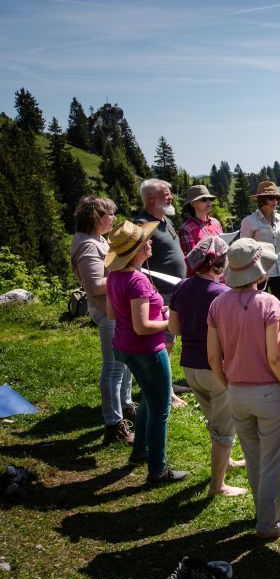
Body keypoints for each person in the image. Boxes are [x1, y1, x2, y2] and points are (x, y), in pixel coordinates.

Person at [207, 239, 280, 538]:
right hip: (269, 392)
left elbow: (212, 357)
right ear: (259, 272)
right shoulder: (269, 303)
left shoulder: (217, 303)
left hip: (236, 391)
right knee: (273, 460)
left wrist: (228, 383)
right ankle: (270, 525)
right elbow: (275, 356)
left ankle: (265, 509)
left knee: (254, 455)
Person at [103, 220, 187, 483]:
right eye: (146, 240)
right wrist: (173, 322)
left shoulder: (115, 276)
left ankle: (140, 451)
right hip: (146, 350)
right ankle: (158, 470)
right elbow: (143, 327)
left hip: (123, 346)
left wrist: (155, 310)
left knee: (149, 400)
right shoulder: (137, 280)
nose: (150, 242)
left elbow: (110, 312)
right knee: (161, 408)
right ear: (137, 249)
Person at [167, 236, 246, 498]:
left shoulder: (181, 287)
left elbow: (173, 328)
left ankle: (228, 460)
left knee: (216, 420)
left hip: (190, 368)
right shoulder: (223, 295)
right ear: (220, 264)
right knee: (224, 428)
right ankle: (218, 485)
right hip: (216, 368)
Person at [70, 196, 135, 445]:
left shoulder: (97, 240)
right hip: (108, 312)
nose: (114, 219)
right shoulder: (88, 245)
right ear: (97, 217)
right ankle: (113, 423)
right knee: (113, 368)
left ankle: (126, 406)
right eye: (110, 214)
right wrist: (128, 279)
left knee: (126, 362)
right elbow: (95, 285)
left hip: (117, 309)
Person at [134, 178, 189, 407]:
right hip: (159, 291)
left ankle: (166, 383)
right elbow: (134, 261)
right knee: (161, 342)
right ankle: (165, 392)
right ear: (150, 198)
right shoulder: (142, 225)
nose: (171, 197)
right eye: (165, 194)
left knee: (170, 340)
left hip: (174, 289)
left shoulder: (164, 220)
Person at [240, 181, 280, 360]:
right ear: (261, 200)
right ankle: (262, 350)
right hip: (260, 272)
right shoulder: (249, 221)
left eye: (276, 198)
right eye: (270, 198)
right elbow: (244, 249)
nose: (274, 201)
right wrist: (250, 274)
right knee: (259, 311)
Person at [178, 185, 224, 261]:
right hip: (204, 272)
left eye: (210, 199)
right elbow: (192, 259)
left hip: (222, 269)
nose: (209, 202)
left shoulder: (216, 222)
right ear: (193, 203)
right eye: (204, 199)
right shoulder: (186, 229)